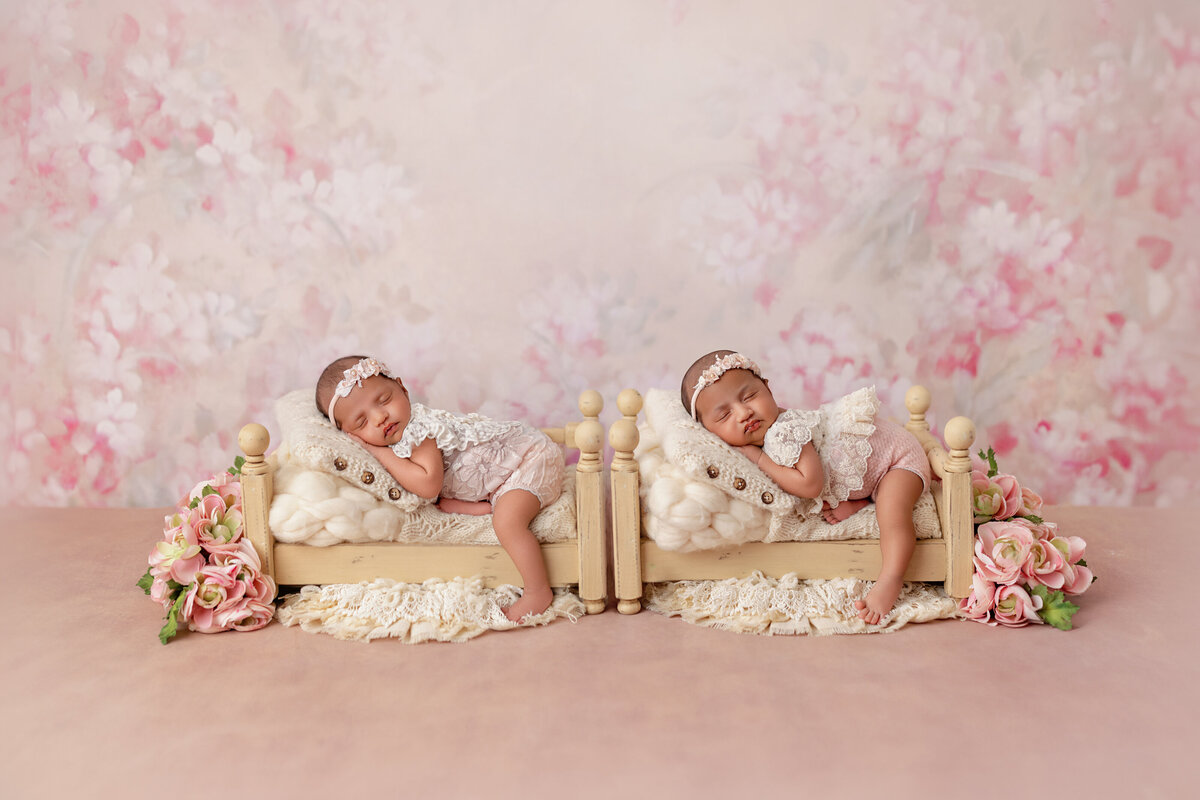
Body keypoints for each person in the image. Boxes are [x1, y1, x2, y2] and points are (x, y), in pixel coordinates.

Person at [681, 350, 931, 624]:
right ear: (708, 431)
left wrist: (759, 457)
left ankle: (891, 578)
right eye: (724, 414)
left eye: (749, 396)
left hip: (898, 459)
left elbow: (810, 485)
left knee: (892, 512)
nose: (744, 412)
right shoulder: (762, 433)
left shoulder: (785, 430)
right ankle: (862, 499)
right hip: (870, 471)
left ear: (767, 387)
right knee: (875, 495)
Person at [315, 355, 562, 622]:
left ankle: (538, 591)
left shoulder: (419, 428)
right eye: (362, 423)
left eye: (384, 400)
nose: (380, 416)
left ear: (402, 388)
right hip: (500, 475)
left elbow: (428, 484)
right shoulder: (400, 436)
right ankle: (484, 505)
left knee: (508, 523)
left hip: (529, 459)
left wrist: (376, 451)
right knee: (445, 504)